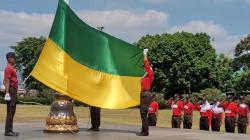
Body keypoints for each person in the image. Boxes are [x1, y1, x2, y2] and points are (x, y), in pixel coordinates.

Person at [137, 49, 154, 136]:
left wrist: (145, 54)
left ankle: (145, 132)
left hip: (146, 94)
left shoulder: (150, 72)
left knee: (143, 113)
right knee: (142, 113)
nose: (143, 68)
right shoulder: (146, 75)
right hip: (144, 94)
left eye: (144, 67)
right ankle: (144, 130)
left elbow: (147, 64)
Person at [3, 52, 19, 137]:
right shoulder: (8, 68)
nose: (15, 59)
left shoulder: (11, 68)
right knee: (11, 111)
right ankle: (8, 131)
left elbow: (4, 80)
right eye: (14, 57)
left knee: (12, 111)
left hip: (13, 90)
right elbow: (7, 81)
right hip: (11, 91)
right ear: (9, 59)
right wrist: (7, 92)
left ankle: (10, 130)